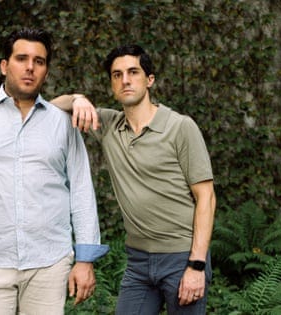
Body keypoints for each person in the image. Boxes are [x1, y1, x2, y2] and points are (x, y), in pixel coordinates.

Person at [0, 27, 108, 315]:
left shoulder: (62, 124)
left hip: (49, 263)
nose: (30, 67)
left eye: (39, 61)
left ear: (46, 70)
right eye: (21, 58)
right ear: (4, 65)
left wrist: (85, 259)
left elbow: (82, 190)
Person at [52, 44, 216, 314]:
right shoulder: (107, 125)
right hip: (138, 261)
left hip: (181, 257)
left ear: (149, 80)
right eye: (117, 75)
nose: (125, 80)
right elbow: (49, 108)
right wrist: (77, 98)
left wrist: (196, 265)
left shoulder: (179, 127)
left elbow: (206, 197)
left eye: (133, 72)